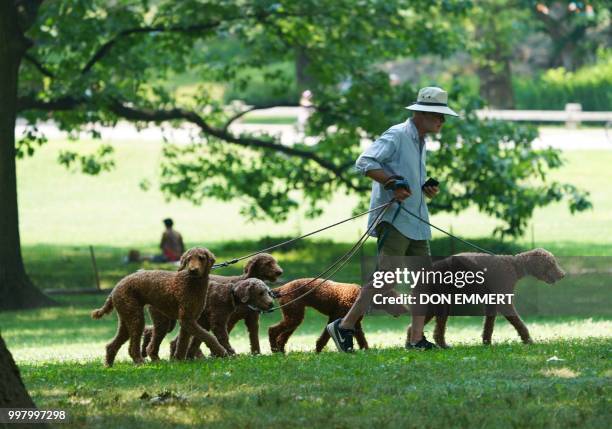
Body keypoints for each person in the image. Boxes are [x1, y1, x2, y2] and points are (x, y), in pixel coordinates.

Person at [327, 86, 459, 352]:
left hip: (417, 221)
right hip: (395, 219)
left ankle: (416, 339)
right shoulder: (398, 134)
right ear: (421, 113)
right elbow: (365, 161)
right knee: (385, 280)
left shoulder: (421, 141)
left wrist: (424, 189)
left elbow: (406, 175)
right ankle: (343, 327)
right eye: (438, 115)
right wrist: (390, 182)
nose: (442, 121)